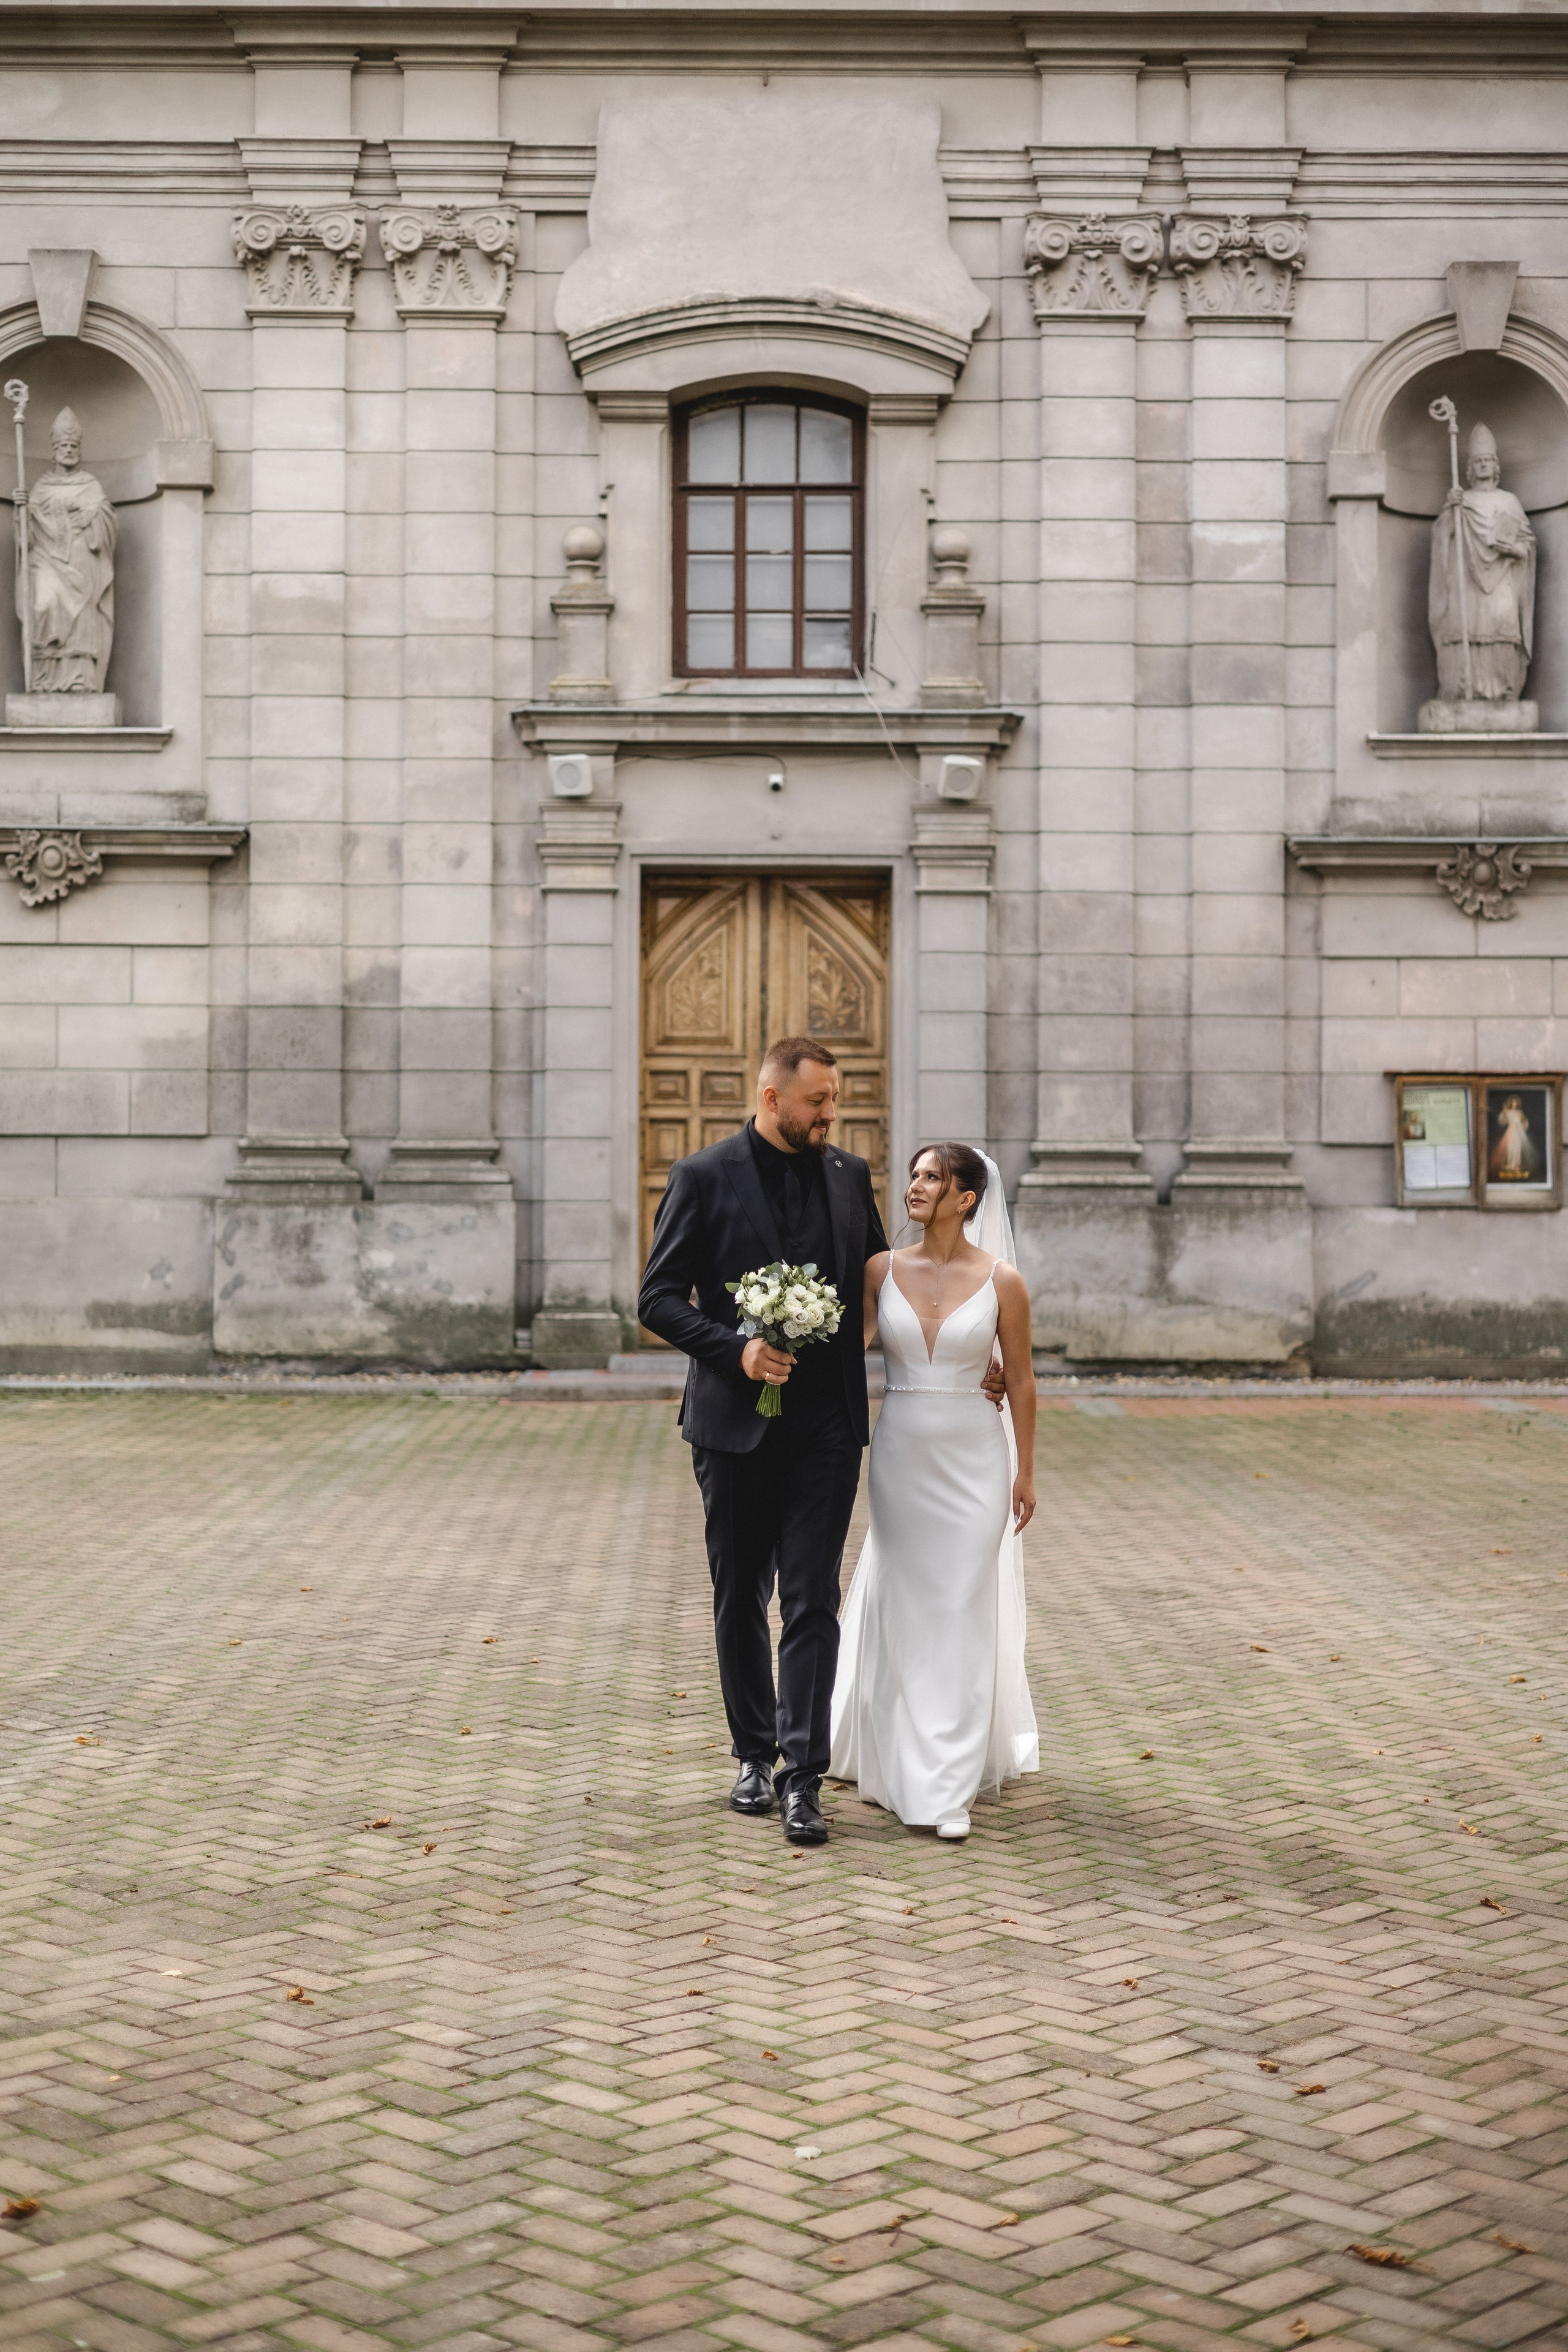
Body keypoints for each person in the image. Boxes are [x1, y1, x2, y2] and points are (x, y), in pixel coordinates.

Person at [638, 1039, 1003, 1847]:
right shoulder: (702, 1177)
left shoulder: (847, 1177)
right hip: (732, 1427)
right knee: (742, 1599)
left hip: (828, 1430)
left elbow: (886, 1277)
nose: (830, 1115)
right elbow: (657, 1299)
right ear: (772, 1100)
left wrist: (972, 1351)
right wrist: (733, 1348)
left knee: (813, 1598)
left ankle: (803, 1779)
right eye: (818, 1102)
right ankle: (753, 1754)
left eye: (834, 1100)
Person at [829, 1142, 1039, 1841]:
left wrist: (1026, 1471)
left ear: (967, 1198)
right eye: (913, 1176)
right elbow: (847, 1348)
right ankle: (893, 1752)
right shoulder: (878, 1270)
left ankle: (944, 1783)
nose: (914, 1187)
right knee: (906, 1600)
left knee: (958, 1603)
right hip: (901, 1454)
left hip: (975, 1458)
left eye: (931, 1178)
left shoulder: (1004, 1282)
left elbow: (1020, 1379)